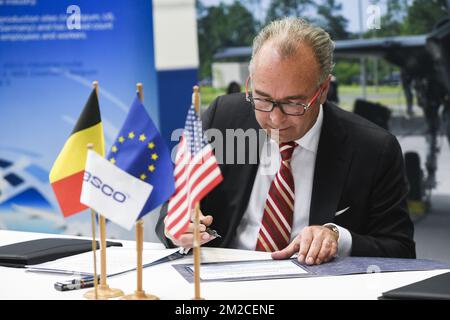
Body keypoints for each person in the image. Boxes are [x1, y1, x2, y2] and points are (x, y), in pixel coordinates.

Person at [156, 18, 415, 264]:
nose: (275, 119)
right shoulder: (222, 118)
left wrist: (338, 237)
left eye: (293, 104)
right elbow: (172, 210)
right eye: (263, 99)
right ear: (251, 82)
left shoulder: (373, 149)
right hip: (225, 282)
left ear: (323, 90)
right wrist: (178, 228)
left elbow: (400, 250)